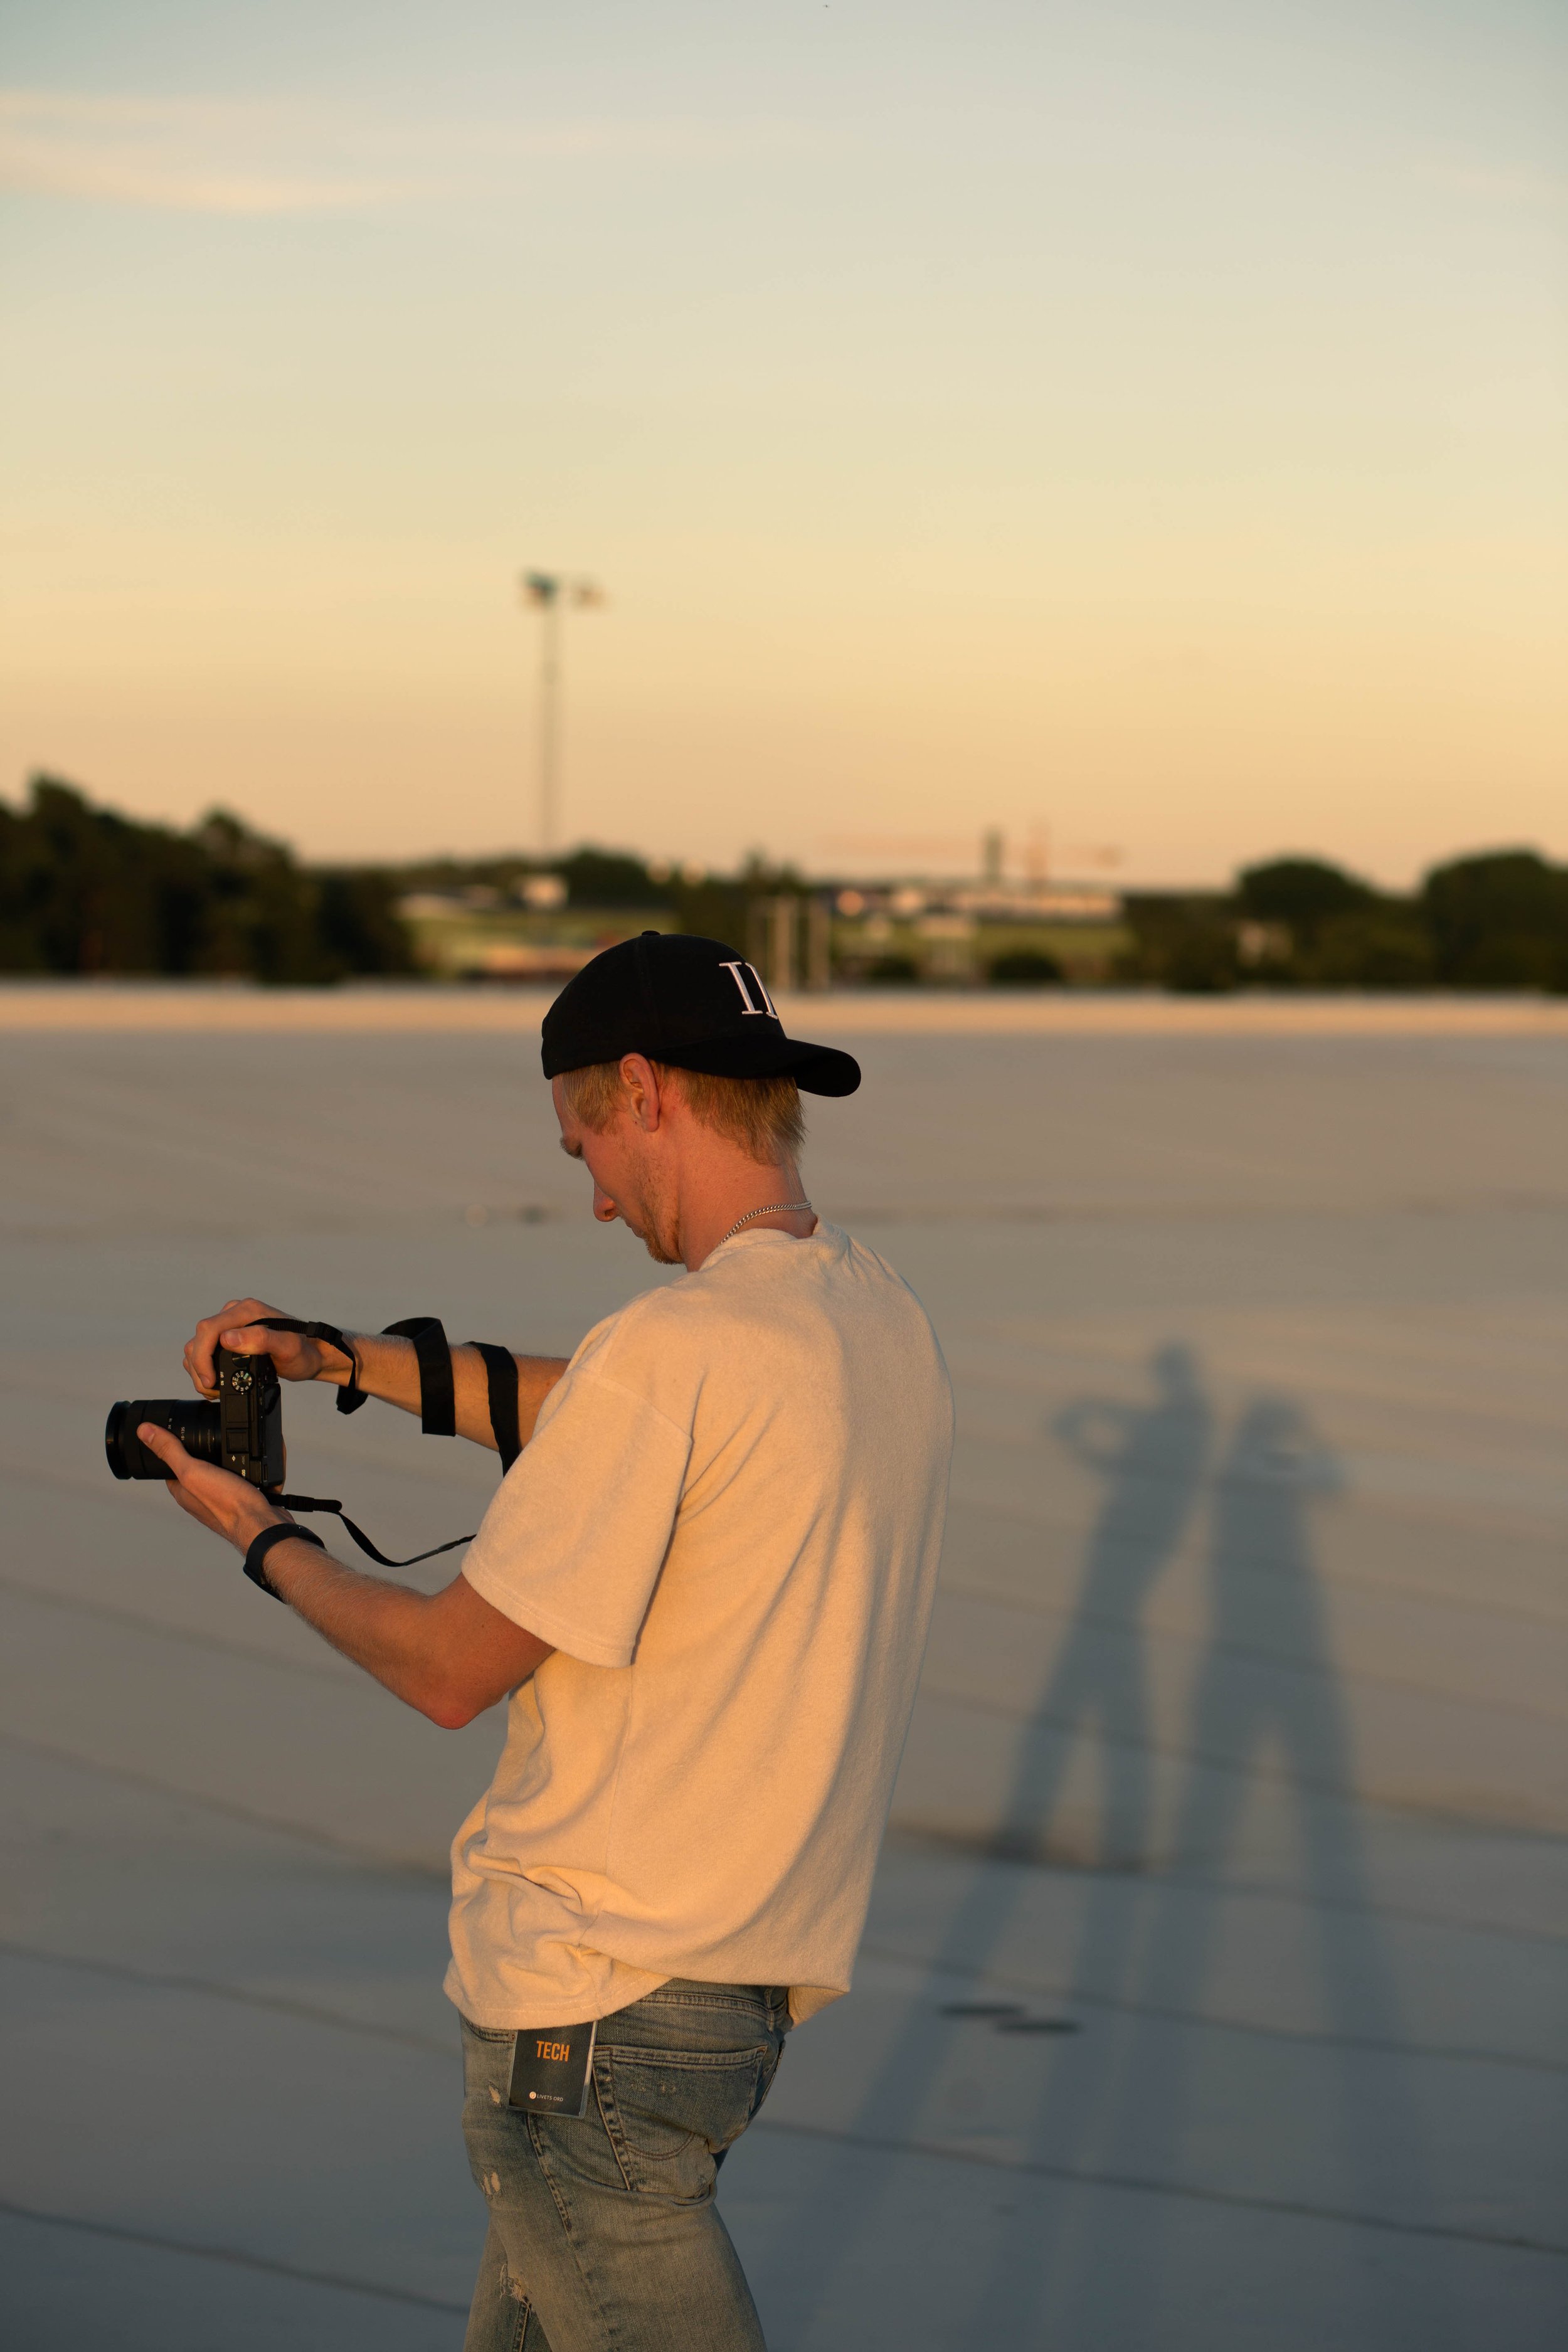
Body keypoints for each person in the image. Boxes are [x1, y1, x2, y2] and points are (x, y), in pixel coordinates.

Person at [142, 931, 954, 2352]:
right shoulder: (868, 1318)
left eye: (579, 1143)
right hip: (731, 1997)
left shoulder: (677, 1346)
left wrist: (260, 1540)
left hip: (596, 2017)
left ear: (642, 1090)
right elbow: (599, 1409)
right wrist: (343, 1360)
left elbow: (452, 1670)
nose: (589, 1198)